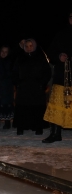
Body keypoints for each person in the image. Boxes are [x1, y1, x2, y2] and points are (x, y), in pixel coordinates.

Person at [43, 11, 72, 143]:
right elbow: (51, 53)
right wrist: (59, 56)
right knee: (56, 106)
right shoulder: (61, 34)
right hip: (61, 77)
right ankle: (55, 133)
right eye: (71, 17)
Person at [12, 38, 51, 135]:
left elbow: (47, 72)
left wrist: (42, 83)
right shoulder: (20, 57)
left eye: (31, 46)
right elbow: (14, 72)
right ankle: (21, 127)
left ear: (34, 46)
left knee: (37, 107)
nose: (29, 48)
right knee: (22, 107)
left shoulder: (40, 57)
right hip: (23, 87)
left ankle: (38, 127)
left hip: (37, 87)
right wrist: (18, 83)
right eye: (27, 46)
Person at [0, 45, 15, 129]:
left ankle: (7, 122)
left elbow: (10, 73)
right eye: (2, 51)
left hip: (7, 85)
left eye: (6, 52)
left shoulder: (10, 61)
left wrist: (0, 75)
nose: (4, 53)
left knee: (7, 104)